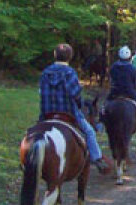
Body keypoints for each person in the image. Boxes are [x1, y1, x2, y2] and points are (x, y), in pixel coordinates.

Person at [38, 43, 109, 173]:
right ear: (69, 57)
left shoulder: (46, 72)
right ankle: (97, 158)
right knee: (89, 132)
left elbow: (41, 92)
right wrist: (79, 104)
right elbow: (75, 94)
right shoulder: (70, 73)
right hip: (68, 112)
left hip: (47, 113)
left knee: (35, 133)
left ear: (55, 55)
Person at [107, 46, 136, 131]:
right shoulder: (132, 69)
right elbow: (135, 82)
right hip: (129, 92)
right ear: (129, 56)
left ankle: (101, 121)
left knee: (105, 105)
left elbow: (111, 78)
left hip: (115, 92)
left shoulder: (113, 66)